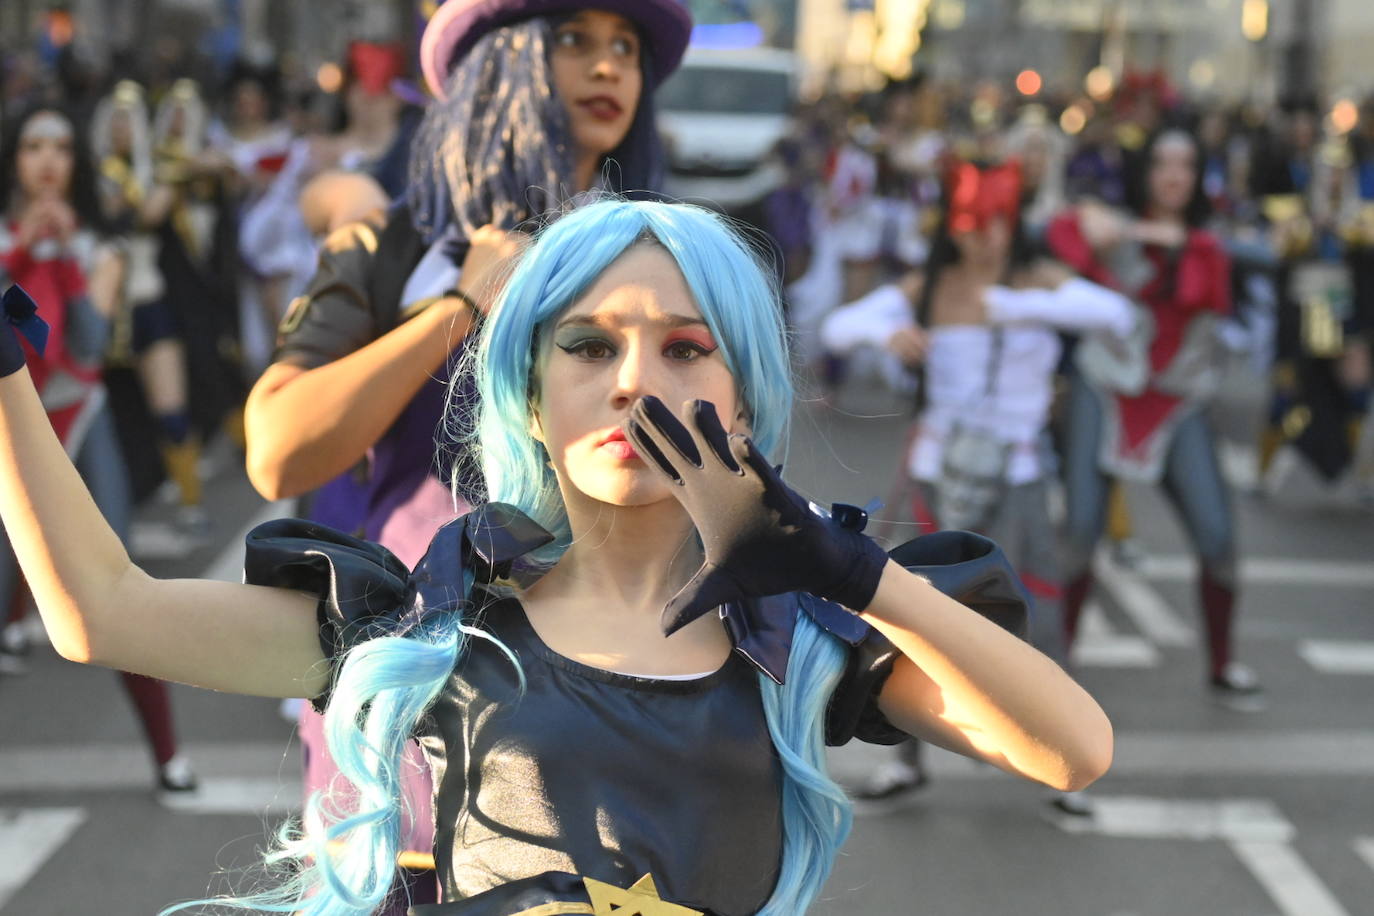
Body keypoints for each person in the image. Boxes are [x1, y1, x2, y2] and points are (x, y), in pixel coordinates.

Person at [2, 195, 1110, 915]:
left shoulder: (794, 642)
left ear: (740, 396)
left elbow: (1074, 750)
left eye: (685, 347)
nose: (634, 382)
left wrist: (850, 573)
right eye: (587, 344)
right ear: (529, 393)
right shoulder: (432, 618)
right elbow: (103, 610)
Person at [244, 2, 691, 909]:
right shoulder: (394, 246)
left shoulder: (669, 258)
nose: (609, 67)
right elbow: (278, 449)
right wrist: (458, 304)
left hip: (612, 682)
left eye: (626, 48)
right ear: (498, 62)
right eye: (575, 39)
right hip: (413, 679)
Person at [822, 159, 1135, 808]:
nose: (986, 237)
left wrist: (1020, 306)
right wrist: (888, 332)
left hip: (1017, 474)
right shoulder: (930, 287)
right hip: (937, 472)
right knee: (912, 618)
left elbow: (1115, 314)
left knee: (1039, 615)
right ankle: (904, 758)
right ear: (952, 227)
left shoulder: (1038, 279)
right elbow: (837, 326)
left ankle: (1062, 759)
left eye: (997, 221)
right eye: (972, 223)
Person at [0, 102, 197, 792]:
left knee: (116, 590)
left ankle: (169, 755)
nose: (48, 159)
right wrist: (20, 251)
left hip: (79, 422)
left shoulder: (99, 246)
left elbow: (77, 345)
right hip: (5, 433)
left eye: (60, 145)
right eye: (33, 145)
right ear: (15, 159)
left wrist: (67, 264)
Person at [1047, 127, 1264, 710]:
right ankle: (1059, 665)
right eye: (1163, 163)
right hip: (1108, 388)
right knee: (1081, 534)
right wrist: (1097, 219)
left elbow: (1232, 269)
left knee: (1218, 536)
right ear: (1144, 169)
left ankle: (1223, 663)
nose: (1174, 175)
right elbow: (1054, 234)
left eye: (1187, 164)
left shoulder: (1212, 241)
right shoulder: (1110, 227)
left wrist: (1177, 238)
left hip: (1179, 398)